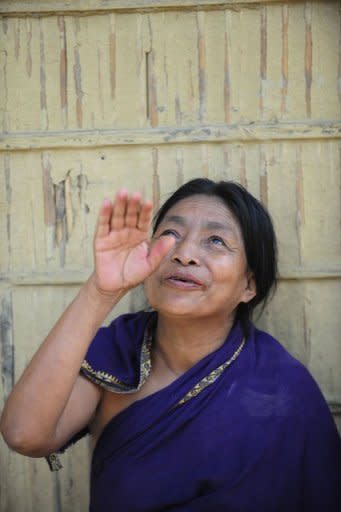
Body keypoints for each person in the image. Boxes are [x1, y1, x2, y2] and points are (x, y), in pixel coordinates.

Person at [1, 178, 340, 512]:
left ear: (248, 285)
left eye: (216, 241)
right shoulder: (119, 353)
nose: (184, 253)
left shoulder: (285, 389)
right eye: (170, 234)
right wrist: (101, 291)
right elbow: (24, 434)